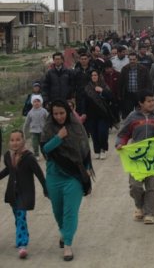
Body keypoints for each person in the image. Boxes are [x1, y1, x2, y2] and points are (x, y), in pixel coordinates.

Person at [41, 100, 93, 261]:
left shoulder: (77, 127)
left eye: (62, 113)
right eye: (55, 113)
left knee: (70, 212)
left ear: (67, 112)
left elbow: (84, 148)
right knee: (58, 211)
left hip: (74, 176)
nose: (59, 116)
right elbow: (45, 149)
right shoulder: (48, 128)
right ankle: (64, 232)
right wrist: (58, 137)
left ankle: (68, 245)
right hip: (54, 176)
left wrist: (88, 167)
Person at [116, 89, 154, 225]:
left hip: (153, 158)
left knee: (151, 187)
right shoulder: (132, 117)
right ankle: (140, 206)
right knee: (135, 186)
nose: (152, 103)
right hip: (137, 158)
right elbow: (123, 134)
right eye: (148, 101)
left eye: (153, 100)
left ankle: (149, 213)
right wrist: (120, 144)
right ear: (140, 103)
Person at [0, 130, 47, 259]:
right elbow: (7, 171)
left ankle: (22, 245)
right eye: (12, 140)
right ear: (9, 142)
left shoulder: (29, 157)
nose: (15, 142)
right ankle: (20, 235)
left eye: (18, 139)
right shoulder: (8, 156)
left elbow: (39, 173)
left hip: (25, 193)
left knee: (21, 217)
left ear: (24, 141)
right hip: (12, 193)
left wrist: (45, 187)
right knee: (17, 217)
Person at [84, 70, 115, 160]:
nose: (94, 77)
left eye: (95, 75)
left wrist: (102, 91)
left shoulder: (104, 85)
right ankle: (97, 150)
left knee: (102, 133)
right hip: (91, 114)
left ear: (98, 76)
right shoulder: (87, 88)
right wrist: (84, 113)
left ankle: (103, 149)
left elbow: (111, 97)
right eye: (92, 75)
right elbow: (84, 101)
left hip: (103, 113)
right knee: (94, 133)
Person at [118, 51, 152, 119]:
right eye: (130, 59)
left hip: (139, 94)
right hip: (128, 95)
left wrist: (148, 94)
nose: (132, 61)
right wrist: (120, 95)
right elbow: (120, 83)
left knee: (141, 113)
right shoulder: (125, 69)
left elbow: (148, 82)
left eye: (134, 59)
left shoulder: (143, 69)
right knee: (128, 114)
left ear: (137, 60)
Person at [23, 94, 48, 160]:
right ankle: (36, 155)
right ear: (32, 103)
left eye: (38, 101)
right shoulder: (30, 113)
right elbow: (26, 123)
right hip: (33, 131)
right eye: (35, 101)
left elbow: (48, 120)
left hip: (42, 131)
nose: (36, 103)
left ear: (41, 102)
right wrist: (24, 132)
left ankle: (45, 154)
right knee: (34, 144)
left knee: (43, 144)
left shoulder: (44, 111)